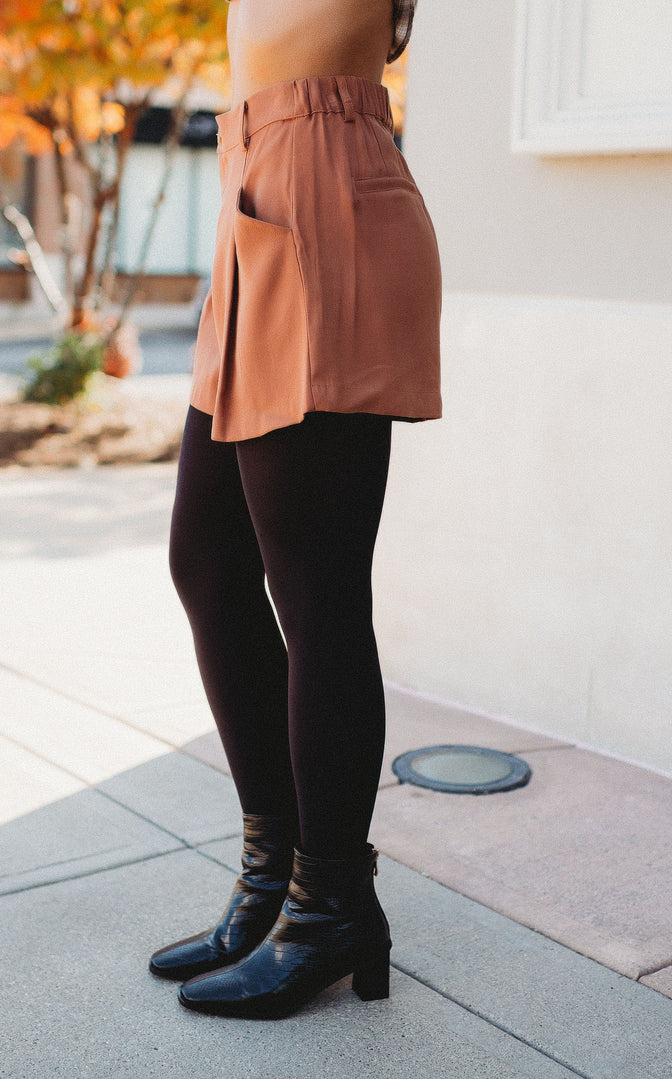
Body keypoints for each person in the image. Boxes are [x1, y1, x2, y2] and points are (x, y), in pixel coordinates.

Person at [149, 0, 441, 1019]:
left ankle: (330, 905)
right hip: (253, 193)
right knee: (208, 562)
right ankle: (275, 873)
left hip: (324, 199)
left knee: (316, 589)